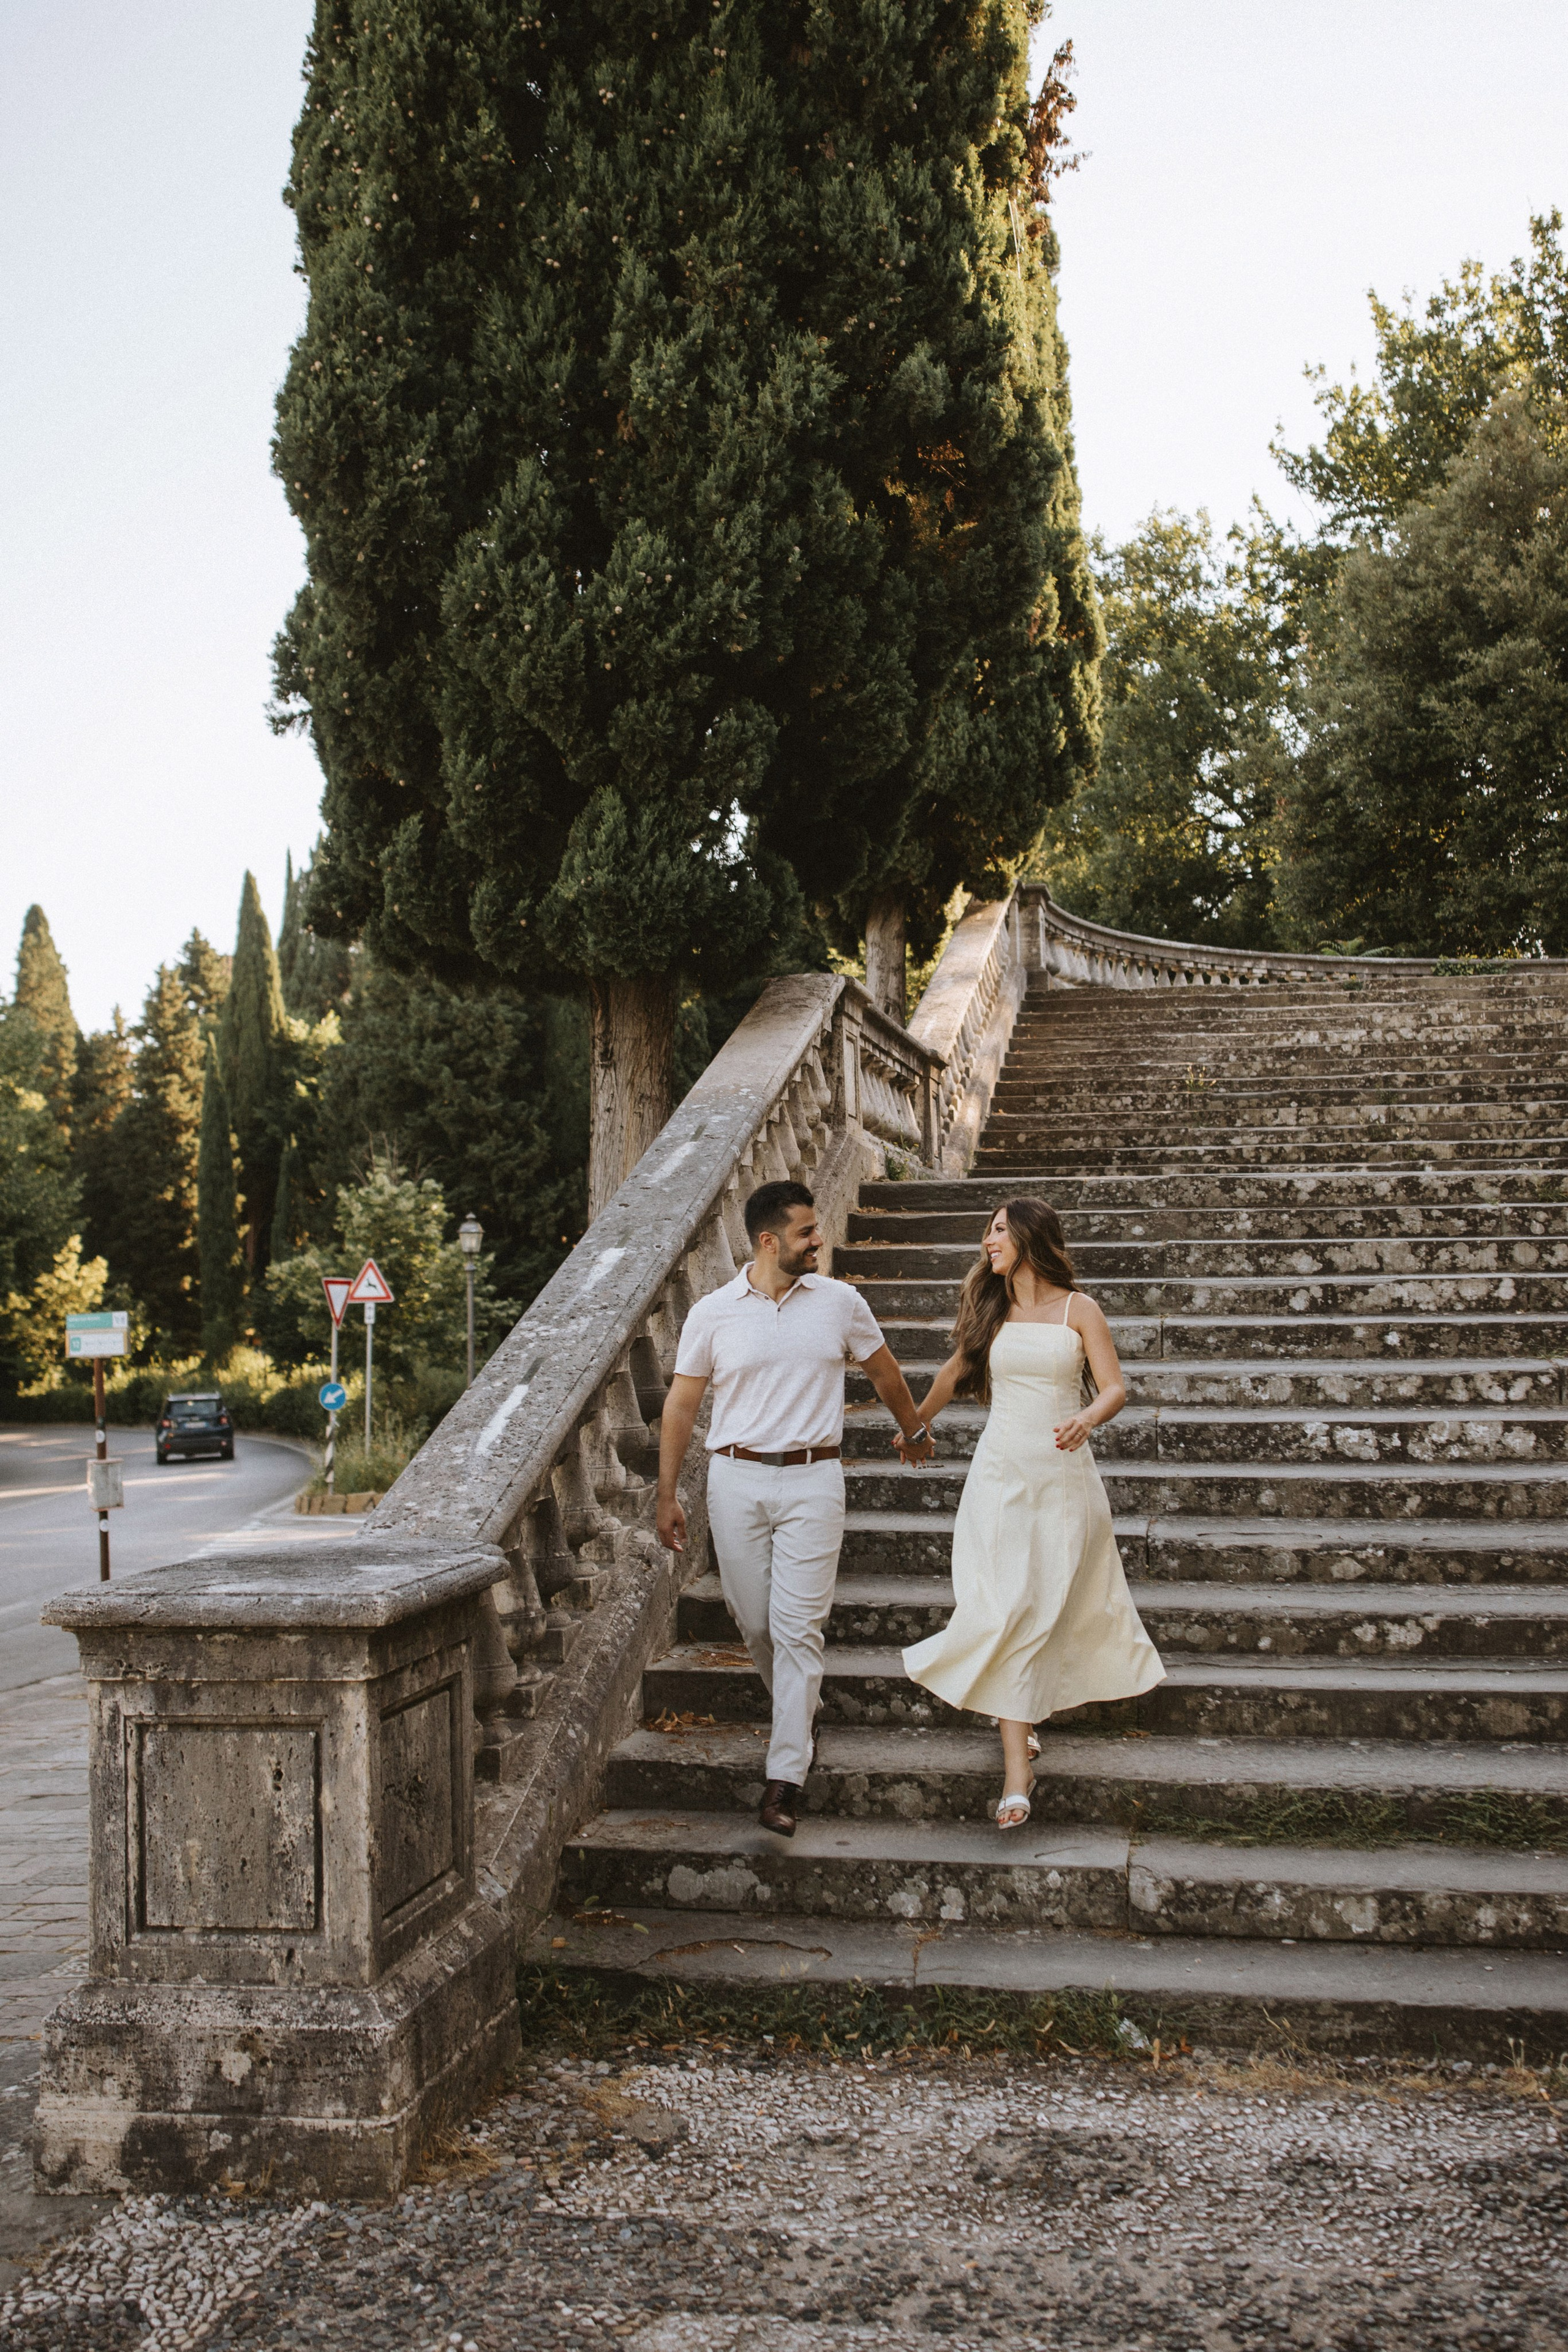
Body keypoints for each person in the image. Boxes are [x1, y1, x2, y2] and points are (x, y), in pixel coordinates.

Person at [657, 1178, 935, 1837]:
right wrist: (666, 1494)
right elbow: (681, 1406)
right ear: (768, 1240)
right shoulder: (714, 1312)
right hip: (735, 1480)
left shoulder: (840, 1302)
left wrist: (914, 1428)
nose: (819, 1241)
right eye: (807, 1232)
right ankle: (800, 1717)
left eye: (817, 1229)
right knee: (755, 1624)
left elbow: (885, 1371)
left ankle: (784, 1778)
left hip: (814, 1480)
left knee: (799, 1629)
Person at [901, 1197, 1164, 1828]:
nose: (987, 1242)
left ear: (1026, 1236)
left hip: (1062, 1480)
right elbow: (952, 1371)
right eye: (987, 1233)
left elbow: (1115, 1389)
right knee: (1007, 1606)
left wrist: (1086, 1417)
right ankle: (1017, 1773)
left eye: (996, 1231)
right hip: (999, 1478)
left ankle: (1016, 1718)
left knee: (1043, 1608)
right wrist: (914, 1424)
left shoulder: (1080, 1309)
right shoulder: (992, 1310)